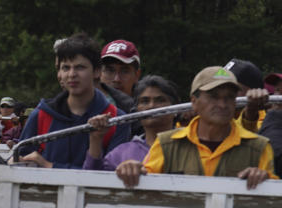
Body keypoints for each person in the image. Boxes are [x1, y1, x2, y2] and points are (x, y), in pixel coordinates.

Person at [116, 66, 277, 190]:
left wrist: (265, 180)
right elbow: (146, 189)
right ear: (194, 102)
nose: (222, 104)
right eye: (213, 96)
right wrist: (132, 170)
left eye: (229, 97)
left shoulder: (259, 146)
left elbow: (271, 202)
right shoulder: (166, 144)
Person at [16, 33, 131, 169]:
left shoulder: (117, 120)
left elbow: (110, 177)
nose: (72, 74)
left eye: (80, 67)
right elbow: (19, 165)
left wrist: (49, 166)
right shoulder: (41, 115)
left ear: (97, 72)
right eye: (66, 68)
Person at [85, 75, 179, 173]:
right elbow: (89, 182)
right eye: (145, 101)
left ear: (175, 109)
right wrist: (95, 139)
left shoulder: (188, 146)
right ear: (136, 111)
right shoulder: (122, 153)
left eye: (160, 100)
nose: (152, 106)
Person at [224, 58, 270, 132]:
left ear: (255, 92)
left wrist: (250, 116)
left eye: (231, 87)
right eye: (219, 86)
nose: (223, 93)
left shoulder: (264, 124)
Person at [98, 39, 139, 113]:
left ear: (137, 75)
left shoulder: (146, 111)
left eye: (124, 71)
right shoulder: (83, 107)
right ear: (98, 73)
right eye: (110, 70)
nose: (117, 79)